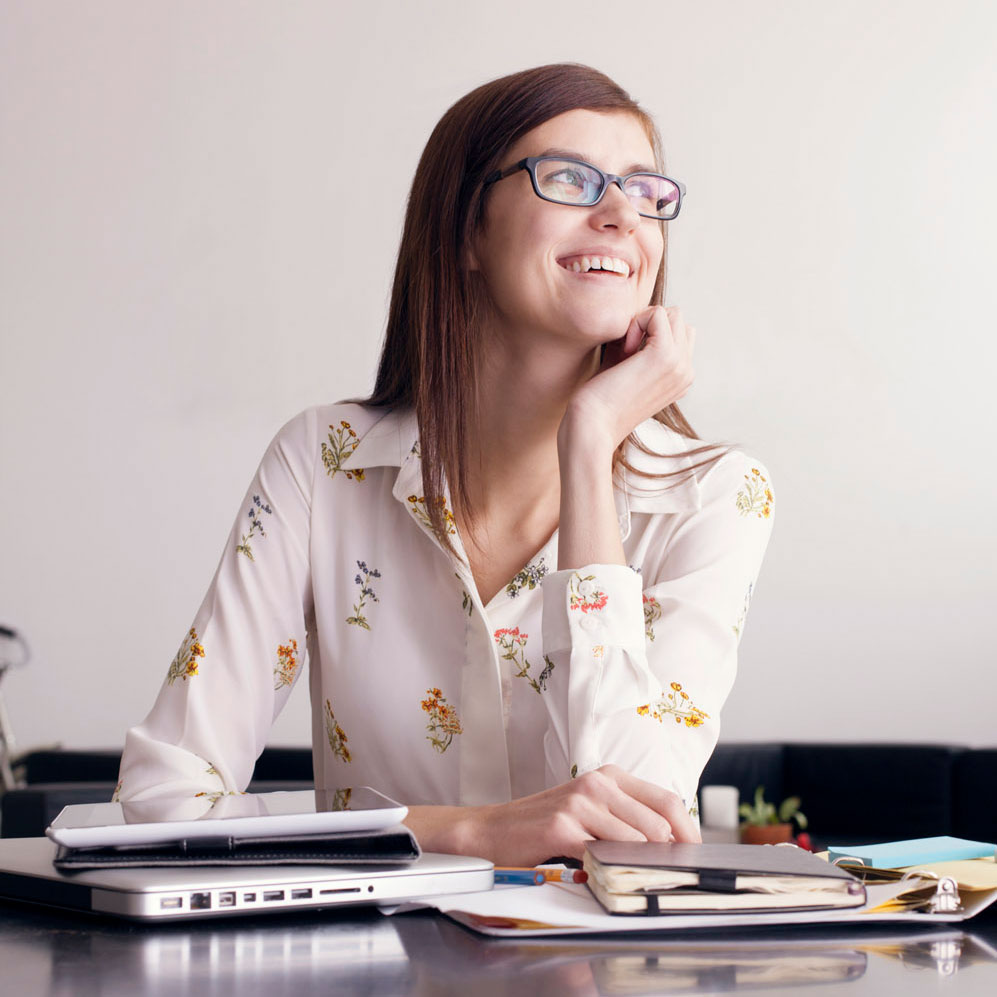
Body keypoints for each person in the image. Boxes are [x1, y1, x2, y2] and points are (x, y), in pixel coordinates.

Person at [117, 63, 774, 866]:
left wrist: (591, 437)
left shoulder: (713, 496)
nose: (618, 216)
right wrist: (461, 833)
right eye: (571, 178)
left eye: (643, 192)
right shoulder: (325, 467)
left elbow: (630, 827)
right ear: (468, 231)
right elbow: (161, 803)